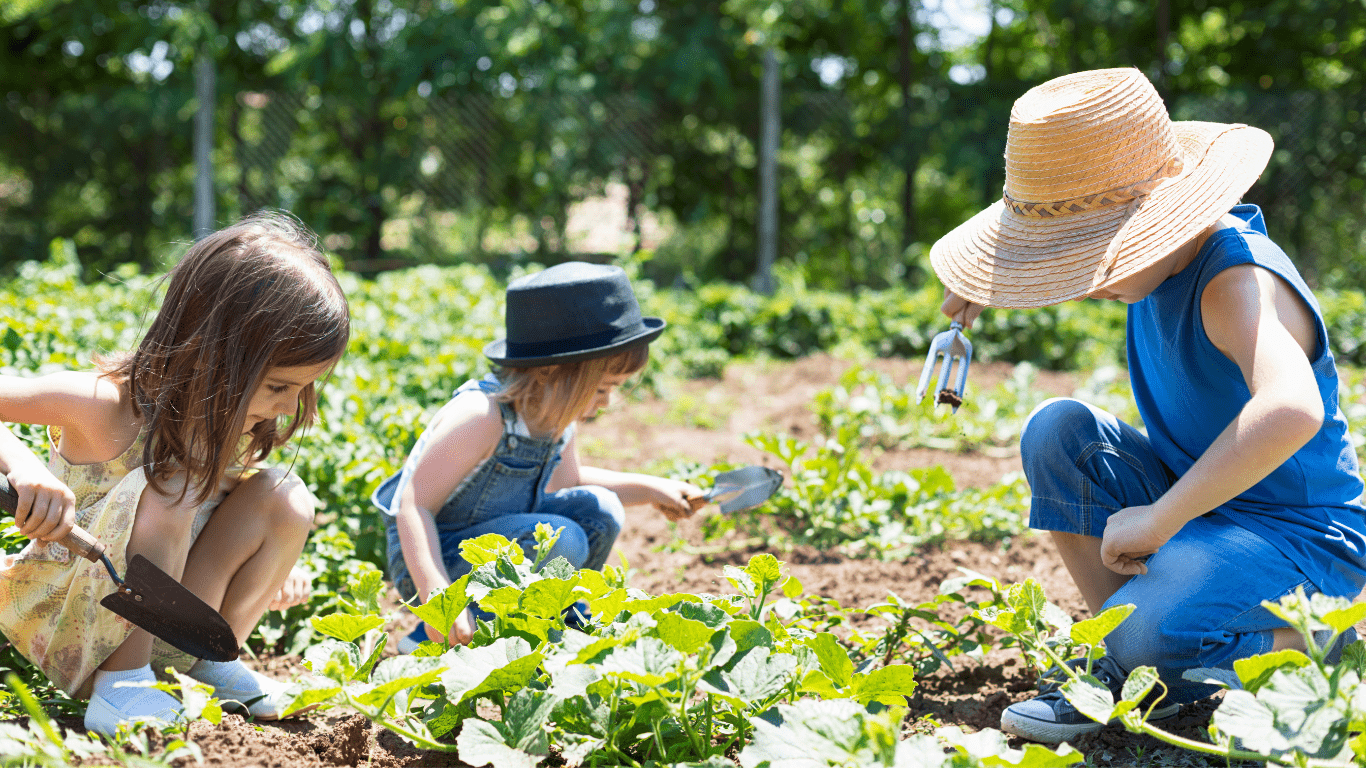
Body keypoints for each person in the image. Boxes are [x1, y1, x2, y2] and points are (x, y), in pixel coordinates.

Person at [929, 68, 1366, 743]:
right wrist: (996, 281)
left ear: (1159, 219)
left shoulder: (1232, 277)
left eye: (1091, 254)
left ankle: (1319, 649)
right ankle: (1130, 667)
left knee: (1149, 628)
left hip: (1301, 539)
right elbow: (1097, 271)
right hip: (1214, 510)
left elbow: (1292, 410)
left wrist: (1162, 518)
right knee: (1059, 431)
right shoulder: (1155, 265)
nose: (1083, 278)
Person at [0, 212, 351, 737]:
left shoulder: (218, 426)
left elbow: (232, 512)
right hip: (68, 613)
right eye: (279, 385)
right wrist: (26, 470)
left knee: (285, 495)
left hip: (158, 619)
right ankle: (123, 688)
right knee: (174, 486)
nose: (289, 407)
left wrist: (273, 562)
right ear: (214, 357)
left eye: (303, 388)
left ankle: (202, 663)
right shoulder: (102, 404)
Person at [373, 261, 705, 652]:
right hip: (435, 560)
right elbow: (412, 506)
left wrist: (651, 489)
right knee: (564, 539)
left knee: (601, 509)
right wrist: (438, 599)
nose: (607, 402)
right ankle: (432, 637)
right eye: (601, 390)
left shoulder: (559, 417)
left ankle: (548, 617)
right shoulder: (482, 415)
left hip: (501, 547)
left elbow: (570, 483)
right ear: (551, 372)